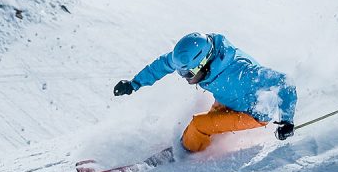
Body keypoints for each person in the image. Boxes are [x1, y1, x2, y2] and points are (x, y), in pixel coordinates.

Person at [114, 32, 296, 153]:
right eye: (181, 73)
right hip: (229, 99)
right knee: (208, 122)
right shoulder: (197, 57)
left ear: (204, 64)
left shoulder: (242, 71)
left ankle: (186, 153)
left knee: (199, 125)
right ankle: (192, 142)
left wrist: (287, 121)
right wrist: (133, 83)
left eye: (188, 74)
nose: (185, 78)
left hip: (253, 113)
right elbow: (163, 64)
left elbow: (284, 81)